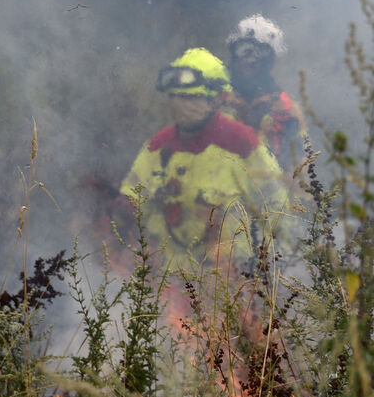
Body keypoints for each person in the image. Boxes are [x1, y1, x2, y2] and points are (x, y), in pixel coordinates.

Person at [119, 47, 288, 275]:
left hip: (229, 280)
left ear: (215, 99)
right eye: (175, 96)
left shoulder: (242, 143)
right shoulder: (159, 146)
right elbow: (129, 203)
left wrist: (268, 263)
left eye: (190, 97)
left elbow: (278, 205)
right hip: (167, 281)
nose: (181, 104)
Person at [222, 14, 307, 172]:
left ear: (269, 60)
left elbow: (298, 168)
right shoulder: (217, 98)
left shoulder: (285, 108)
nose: (249, 61)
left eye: (258, 53)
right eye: (243, 51)